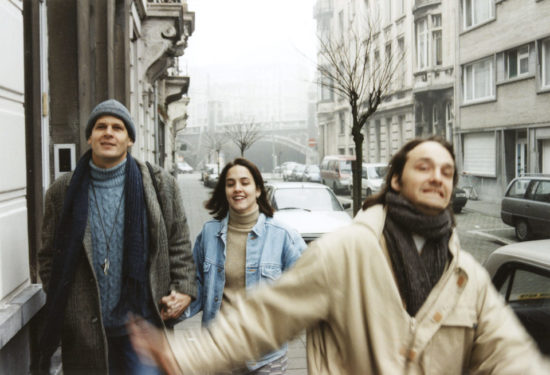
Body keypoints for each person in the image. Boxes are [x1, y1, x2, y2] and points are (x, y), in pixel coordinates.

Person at [129, 136, 550, 374]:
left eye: (447, 172)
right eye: (424, 167)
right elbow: (267, 315)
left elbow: (507, 352)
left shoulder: (466, 276)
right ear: (397, 180)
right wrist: (184, 356)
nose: (438, 177)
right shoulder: (347, 251)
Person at [37, 99, 197, 374]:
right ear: (90, 137)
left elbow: (179, 244)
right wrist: (68, 307)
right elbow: (48, 256)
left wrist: (184, 289)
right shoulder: (63, 191)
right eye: (100, 127)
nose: (108, 133)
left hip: (143, 325)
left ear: (130, 139)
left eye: (117, 128)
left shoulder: (160, 185)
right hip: (85, 333)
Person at [184, 158, 307, 374]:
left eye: (244, 182)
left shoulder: (283, 236)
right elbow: (196, 286)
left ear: (258, 189)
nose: (237, 189)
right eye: (230, 184)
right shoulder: (209, 234)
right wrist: (171, 307)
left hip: (266, 356)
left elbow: (306, 288)